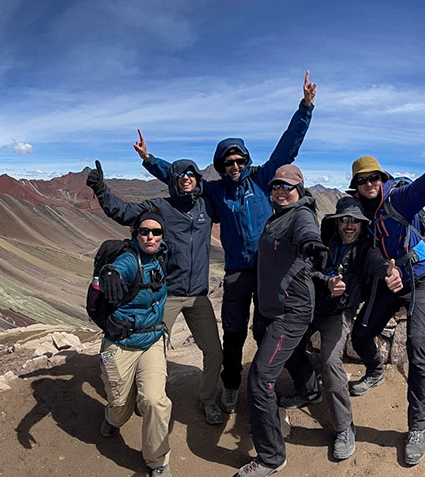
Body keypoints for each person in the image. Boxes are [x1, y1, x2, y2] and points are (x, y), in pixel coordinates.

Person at [143, 72, 316, 421]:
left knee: (272, 328)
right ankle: (232, 385)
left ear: (247, 161)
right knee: (234, 334)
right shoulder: (217, 191)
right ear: (221, 166)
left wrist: (305, 108)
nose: (234, 167)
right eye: (228, 163)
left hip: (271, 273)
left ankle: (301, 384)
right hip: (238, 274)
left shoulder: (264, 180)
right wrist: (150, 161)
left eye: (239, 161)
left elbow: (288, 146)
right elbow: (183, 181)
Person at [345, 128, 425, 466]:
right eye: (362, 180)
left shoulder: (397, 200)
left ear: (382, 178)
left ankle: (417, 426)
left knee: (418, 348)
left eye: (374, 177)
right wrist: (382, 270)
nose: (369, 184)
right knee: (361, 335)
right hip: (391, 280)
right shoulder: (359, 212)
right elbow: (361, 248)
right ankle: (375, 370)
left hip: (419, 279)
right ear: (355, 186)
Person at [88, 149, 225, 425]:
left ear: (197, 179)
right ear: (172, 181)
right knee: (154, 349)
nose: (186, 179)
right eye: (180, 175)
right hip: (167, 296)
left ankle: (208, 398)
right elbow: (124, 212)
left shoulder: (207, 206)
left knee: (214, 350)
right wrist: (102, 190)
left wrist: (150, 160)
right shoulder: (160, 208)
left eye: (191, 174)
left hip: (198, 296)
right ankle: (148, 397)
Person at [235, 165, 325, 477]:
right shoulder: (276, 216)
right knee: (294, 353)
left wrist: (312, 243)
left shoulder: (300, 214)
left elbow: (307, 233)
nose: (281, 191)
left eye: (287, 187)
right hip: (272, 308)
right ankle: (310, 392)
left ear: (300, 190)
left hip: (291, 312)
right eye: (276, 186)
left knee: (260, 380)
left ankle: (271, 457)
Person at [281, 196, 383, 461]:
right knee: (286, 344)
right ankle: (309, 390)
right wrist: (327, 282)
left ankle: (344, 427)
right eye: (344, 220)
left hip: (339, 313)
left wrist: (387, 271)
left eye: (354, 221)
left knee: (330, 362)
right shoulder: (327, 244)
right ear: (337, 223)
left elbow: (376, 262)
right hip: (313, 305)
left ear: (362, 225)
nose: (349, 225)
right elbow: (309, 270)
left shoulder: (365, 251)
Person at [94, 212, 173, 477]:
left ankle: (157, 460)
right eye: (144, 232)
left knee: (154, 401)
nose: (150, 237)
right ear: (136, 234)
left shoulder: (163, 255)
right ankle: (111, 417)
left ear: (163, 236)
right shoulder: (129, 259)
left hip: (151, 341)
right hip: (120, 345)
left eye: (156, 232)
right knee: (119, 406)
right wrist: (110, 272)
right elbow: (118, 268)